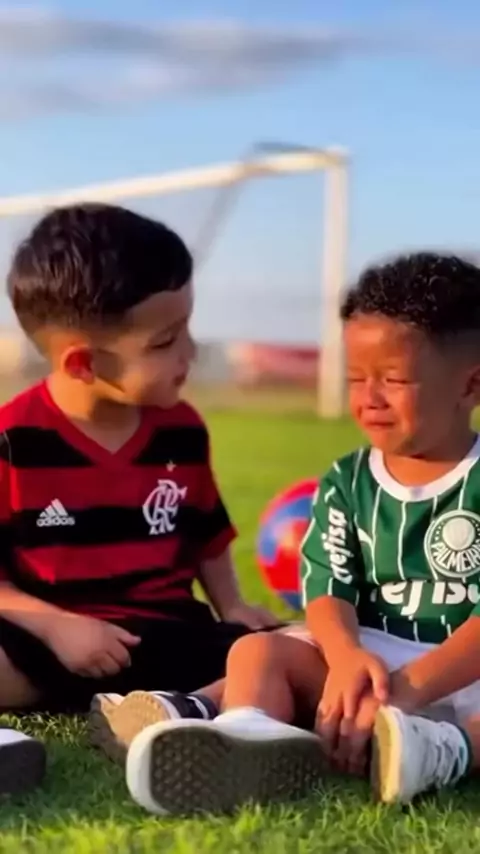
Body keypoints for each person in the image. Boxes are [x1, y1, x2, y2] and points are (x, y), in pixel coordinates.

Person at [118, 252, 480, 816]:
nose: (369, 397)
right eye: (356, 378)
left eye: (394, 380)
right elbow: (328, 589)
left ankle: (440, 752)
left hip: (461, 670)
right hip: (372, 663)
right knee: (258, 650)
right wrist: (346, 657)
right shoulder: (346, 481)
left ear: (470, 384)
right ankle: (246, 737)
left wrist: (409, 690)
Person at [0, 202, 278, 719]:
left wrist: (234, 607)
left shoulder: (182, 429)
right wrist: (58, 627)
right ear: (83, 363)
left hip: (169, 634)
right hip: (49, 639)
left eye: (187, 328)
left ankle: (182, 707)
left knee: (296, 650)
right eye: (166, 341)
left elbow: (205, 535)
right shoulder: (12, 440)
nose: (190, 351)